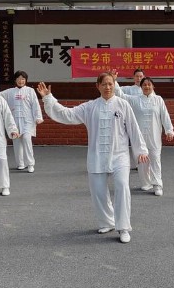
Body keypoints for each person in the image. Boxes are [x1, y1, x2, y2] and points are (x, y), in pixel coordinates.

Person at [36, 73, 149, 244]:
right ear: (97, 86)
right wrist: (48, 99)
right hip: (96, 155)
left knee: (122, 186)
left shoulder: (123, 105)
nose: (108, 87)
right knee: (98, 191)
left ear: (114, 84)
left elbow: (134, 128)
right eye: (104, 84)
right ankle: (107, 222)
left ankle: (123, 227)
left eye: (110, 84)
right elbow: (67, 114)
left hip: (120, 155)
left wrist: (141, 150)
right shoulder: (90, 107)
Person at [112, 71, 174, 196]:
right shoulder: (135, 100)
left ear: (153, 87)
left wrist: (169, 130)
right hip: (139, 137)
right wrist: (114, 81)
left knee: (155, 160)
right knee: (142, 161)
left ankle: (158, 185)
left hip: (154, 136)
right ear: (141, 87)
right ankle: (146, 183)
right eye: (144, 85)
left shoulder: (158, 100)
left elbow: (165, 116)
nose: (147, 87)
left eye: (149, 85)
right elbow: (121, 95)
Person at [0, 70, 43, 173]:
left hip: (28, 120)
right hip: (14, 121)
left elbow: (35, 104)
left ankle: (30, 164)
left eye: (23, 79)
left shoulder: (30, 91)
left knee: (27, 139)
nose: (21, 81)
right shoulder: (10, 92)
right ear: (15, 80)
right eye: (18, 78)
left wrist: (38, 117)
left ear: (26, 80)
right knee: (17, 142)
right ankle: (20, 163)